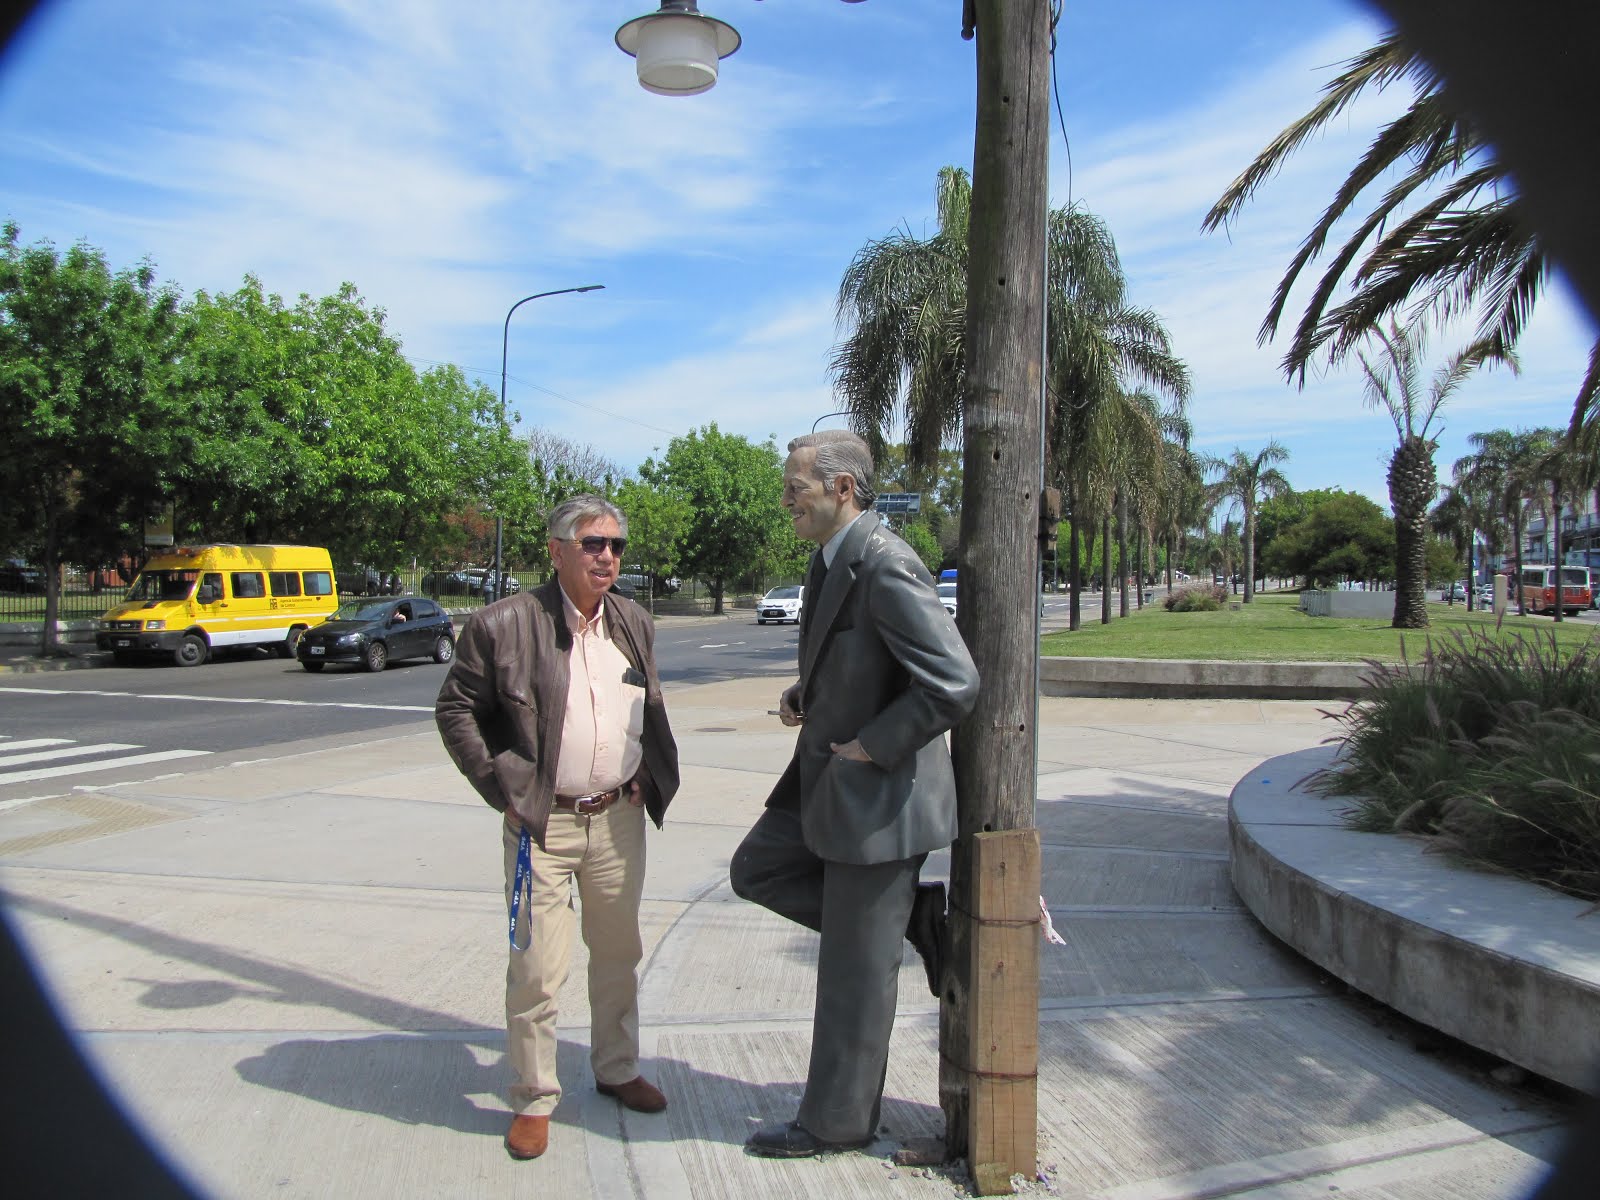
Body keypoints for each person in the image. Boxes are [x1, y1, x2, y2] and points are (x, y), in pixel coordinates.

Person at [731, 430, 979, 1158]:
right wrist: (809, 692)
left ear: (843, 489)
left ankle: (836, 1122)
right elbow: (864, 657)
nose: (785, 501)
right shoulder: (831, 558)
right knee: (758, 869)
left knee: (851, 978)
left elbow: (953, 682)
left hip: (880, 799)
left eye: (795, 488)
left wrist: (874, 741)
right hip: (830, 786)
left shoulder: (885, 562)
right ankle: (909, 920)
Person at [435, 494, 680, 1162]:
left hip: (618, 820)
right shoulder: (502, 624)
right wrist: (500, 788)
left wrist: (644, 775)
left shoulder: (633, 621)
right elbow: (455, 708)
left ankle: (617, 1067)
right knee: (538, 968)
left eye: (617, 546)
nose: (608, 557)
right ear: (557, 550)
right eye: (594, 543)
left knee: (619, 953)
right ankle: (534, 1098)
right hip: (540, 824)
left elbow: (646, 708)